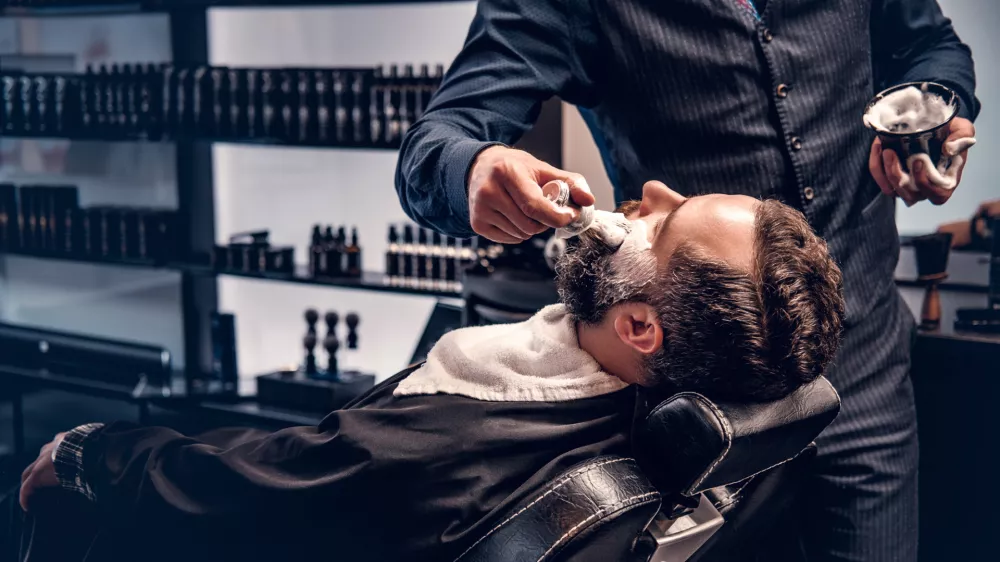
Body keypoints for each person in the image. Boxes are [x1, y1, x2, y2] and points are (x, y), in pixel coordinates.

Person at [394, 1, 980, 559]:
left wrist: (942, 110)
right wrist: (471, 168)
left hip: (867, 368)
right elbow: (435, 142)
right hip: (699, 420)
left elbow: (931, 45)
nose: (651, 199)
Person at [13, 184, 844, 562]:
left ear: (638, 326)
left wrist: (95, 454)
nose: (647, 198)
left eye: (661, 228)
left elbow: (256, 486)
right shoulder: (716, 431)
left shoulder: (446, 445)